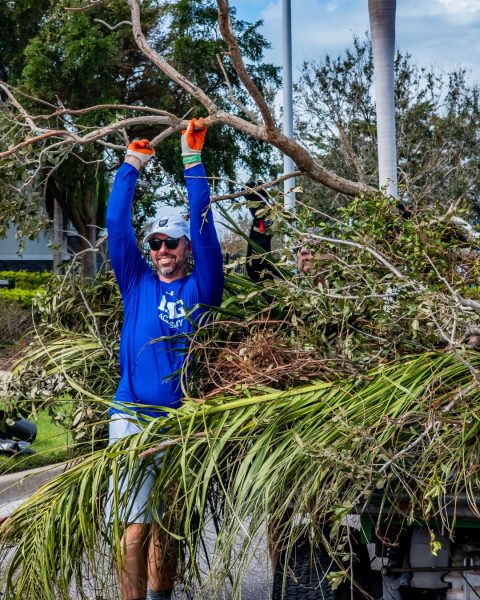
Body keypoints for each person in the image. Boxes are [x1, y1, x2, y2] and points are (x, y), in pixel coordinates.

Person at [105, 118, 224, 600]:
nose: (159, 251)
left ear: (185, 248)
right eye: (154, 243)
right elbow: (116, 225)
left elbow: (205, 227)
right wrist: (131, 167)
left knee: (168, 526)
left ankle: (160, 598)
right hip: (130, 418)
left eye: (169, 242)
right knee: (133, 528)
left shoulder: (202, 288)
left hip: (179, 421)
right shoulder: (136, 284)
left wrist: (193, 160)